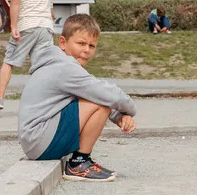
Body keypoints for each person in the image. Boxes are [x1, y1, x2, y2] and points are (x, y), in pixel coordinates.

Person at [18, 14, 137, 181]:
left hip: (35, 141)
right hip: (40, 140)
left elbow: (92, 96)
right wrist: (131, 110)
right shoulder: (66, 68)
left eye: (92, 46)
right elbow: (109, 96)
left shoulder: (59, 63)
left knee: (100, 102)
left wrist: (119, 117)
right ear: (63, 43)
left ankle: (80, 162)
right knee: (102, 105)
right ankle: (79, 163)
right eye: (81, 43)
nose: (87, 50)